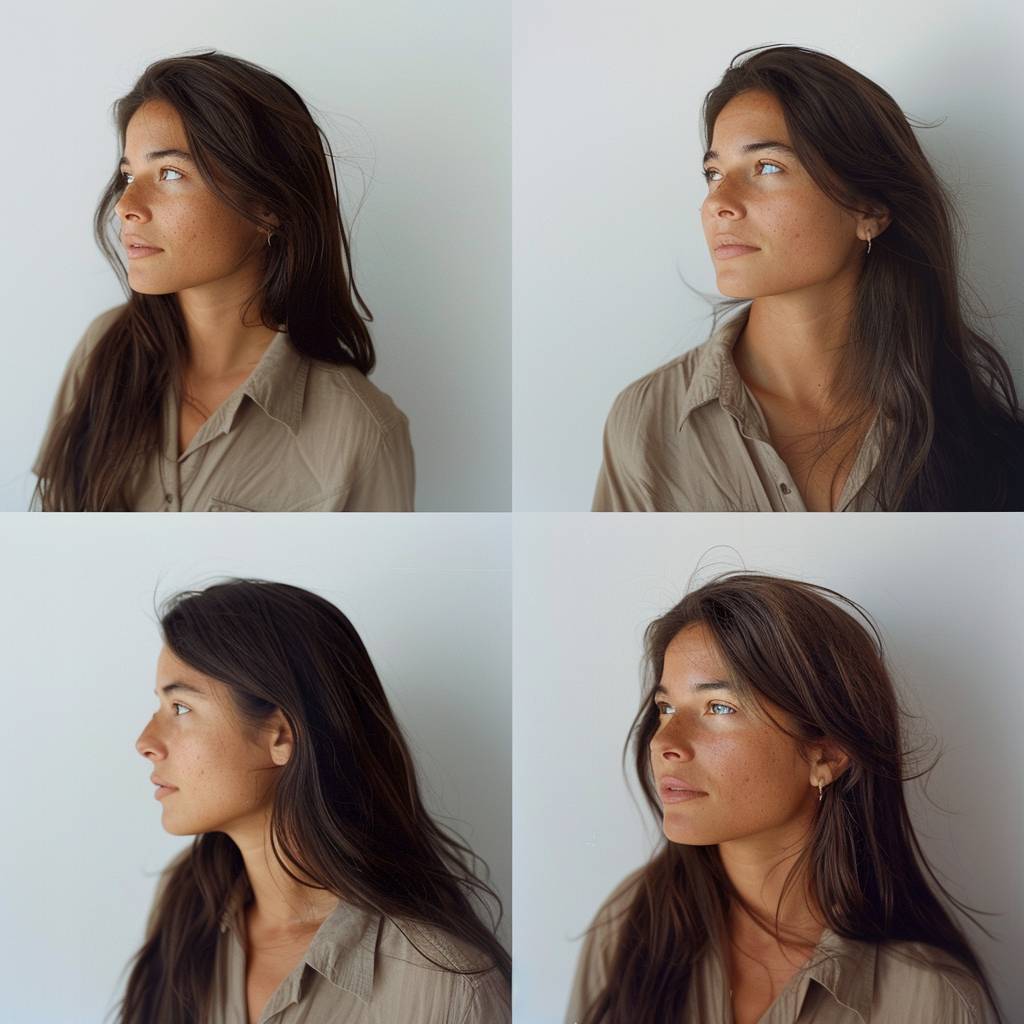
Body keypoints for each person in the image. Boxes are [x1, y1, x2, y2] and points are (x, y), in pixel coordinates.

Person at [592, 44, 1024, 512]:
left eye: (768, 167)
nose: (720, 202)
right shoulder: (645, 424)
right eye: (714, 173)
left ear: (870, 209)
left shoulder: (983, 439)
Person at [566, 572, 1003, 1024]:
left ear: (827, 755)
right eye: (666, 708)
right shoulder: (630, 924)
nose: (664, 742)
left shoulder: (929, 1000)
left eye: (719, 708)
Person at [33, 50, 414, 512]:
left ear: (267, 206)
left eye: (170, 173)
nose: (126, 204)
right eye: (129, 174)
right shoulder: (104, 349)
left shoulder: (360, 431)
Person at [125, 579, 509, 1024]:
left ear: (282, 735)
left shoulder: (447, 991)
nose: (145, 742)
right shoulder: (185, 908)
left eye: (181, 708)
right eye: (160, 706)